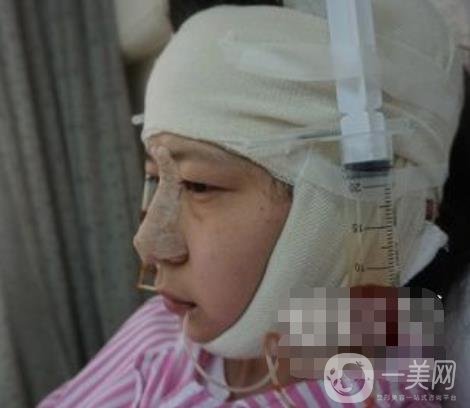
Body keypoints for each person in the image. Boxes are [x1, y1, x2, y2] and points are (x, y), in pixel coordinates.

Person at [37, 0, 465, 406]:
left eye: (198, 185)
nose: (149, 244)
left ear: (372, 207)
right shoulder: (160, 326)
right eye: (155, 178)